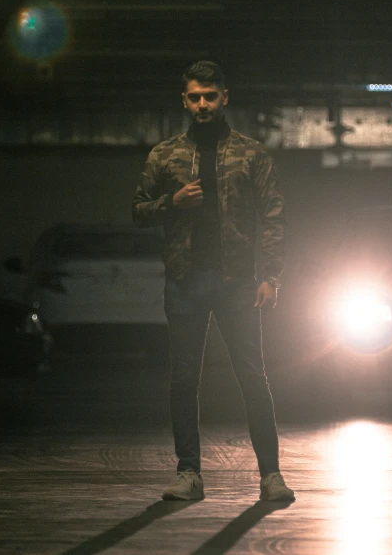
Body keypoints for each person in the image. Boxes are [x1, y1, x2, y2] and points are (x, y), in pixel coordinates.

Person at [132, 60, 294, 503]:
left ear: (225, 97)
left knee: (252, 377)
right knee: (184, 379)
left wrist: (272, 276)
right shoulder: (164, 154)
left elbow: (274, 216)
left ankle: (271, 475)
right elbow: (138, 209)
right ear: (184, 100)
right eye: (195, 96)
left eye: (210, 96)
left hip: (238, 281)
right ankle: (189, 474)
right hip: (185, 280)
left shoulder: (251, 153)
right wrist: (173, 201)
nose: (203, 103)